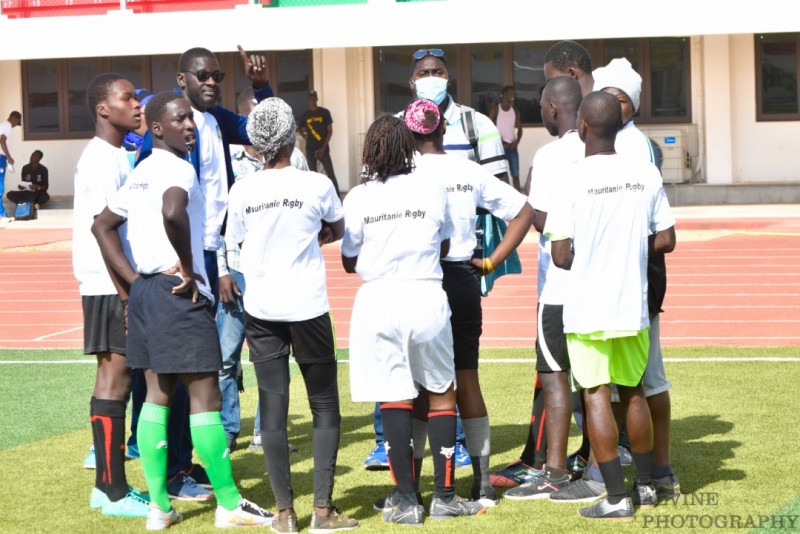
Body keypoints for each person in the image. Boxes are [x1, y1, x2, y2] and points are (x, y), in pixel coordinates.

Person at [91, 90, 275, 530]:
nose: (189, 126)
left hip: (148, 294)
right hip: (179, 293)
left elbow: (102, 224)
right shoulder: (177, 169)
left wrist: (134, 281)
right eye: (179, 120)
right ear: (157, 128)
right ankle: (228, 504)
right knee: (205, 396)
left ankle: (159, 507)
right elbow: (173, 211)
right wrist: (191, 270)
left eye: (190, 119)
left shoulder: (140, 172)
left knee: (156, 396)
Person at [364, 46, 511, 471]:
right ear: (412, 82)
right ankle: (384, 441)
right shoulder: (392, 127)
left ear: (449, 78)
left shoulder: (476, 123)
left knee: (454, 360)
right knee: (401, 358)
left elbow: (499, 186)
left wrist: (464, 226)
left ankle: (457, 444)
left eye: (439, 71)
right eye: (424, 72)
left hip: (459, 262)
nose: (432, 77)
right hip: (407, 267)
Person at [137, 45, 273, 500]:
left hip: (214, 255)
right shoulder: (160, 141)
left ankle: (184, 464)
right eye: (202, 75)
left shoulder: (217, 123)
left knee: (199, 367)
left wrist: (260, 86)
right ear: (182, 80)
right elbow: (146, 208)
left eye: (217, 75)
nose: (212, 82)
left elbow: (268, 127)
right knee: (176, 370)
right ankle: (172, 472)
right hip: (181, 263)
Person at [342, 111, 484, 525]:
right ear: (408, 148)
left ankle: (406, 502)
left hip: (379, 299)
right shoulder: (430, 188)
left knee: (394, 395)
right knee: (441, 392)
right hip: (426, 293)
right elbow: (442, 245)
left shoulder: (359, 196)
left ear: (370, 152)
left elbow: (350, 260)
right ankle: (444, 497)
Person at [226, 97, 358, 534]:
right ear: (291, 137)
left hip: (261, 310)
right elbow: (337, 229)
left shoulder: (241, 189)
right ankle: (322, 511)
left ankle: (285, 514)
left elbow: (237, 244)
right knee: (324, 406)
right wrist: (314, 233)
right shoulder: (315, 184)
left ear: (257, 144)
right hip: (307, 309)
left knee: (273, 410)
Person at [546, 91, 676, 520]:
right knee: (633, 391)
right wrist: (626, 249)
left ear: (581, 125)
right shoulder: (645, 173)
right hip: (632, 306)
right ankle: (645, 488)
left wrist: (597, 251)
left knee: (597, 395)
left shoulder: (570, 178)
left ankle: (617, 499)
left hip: (588, 308)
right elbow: (667, 239)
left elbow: (561, 255)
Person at [402, 98, 533, 507]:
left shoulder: (400, 175)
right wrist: (492, 261)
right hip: (461, 279)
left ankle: (413, 488)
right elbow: (524, 211)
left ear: (409, 136)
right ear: (443, 130)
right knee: (466, 379)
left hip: (420, 280)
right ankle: (481, 484)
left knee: (419, 386)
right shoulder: (468, 170)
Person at [593, 56, 680, 500]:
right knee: (617, 384)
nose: (611, 103)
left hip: (638, 280)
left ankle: (660, 469)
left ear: (634, 106)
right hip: (614, 279)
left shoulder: (636, 149)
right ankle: (629, 465)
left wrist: (618, 248)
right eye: (605, 94)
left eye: (620, 98)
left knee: (647, 380)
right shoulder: (601, 144)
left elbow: (658, 232)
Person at [502, 76, 585, 501]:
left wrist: (529, 191)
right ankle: (594, 461)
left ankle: (553, 471)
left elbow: (541, 220)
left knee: (554, 378)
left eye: (541, 106)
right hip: (594, 285)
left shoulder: (551, 155)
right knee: (592, 378)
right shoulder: (599, 148)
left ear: (554, 108)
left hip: (557, 288)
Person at [72, 73, 150, 518]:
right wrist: (128, 294)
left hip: (112, 284)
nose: (136, 105)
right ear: (104, 109)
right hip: (108, 284)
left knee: (113, 381)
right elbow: (105, 233)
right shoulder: (102, 159)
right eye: (127, 99)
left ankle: (109, 485)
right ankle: (112, 490)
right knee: (114, 381)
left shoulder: (119, 154)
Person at [218, 87, 305, 453]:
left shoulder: (296, 159)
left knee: (270, 357)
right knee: (224, 357)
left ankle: (264, 433)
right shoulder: (228, 159)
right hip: (236, 273)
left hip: (276, 275)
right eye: (256, 115)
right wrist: (222, 269)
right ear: (243, 120)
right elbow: (218, 221)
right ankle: (226, 430)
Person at [299, 90, 339, 196]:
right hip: (310, 149)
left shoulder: (325, 112)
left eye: (314, 97)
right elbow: (298, 127)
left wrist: (323, 148)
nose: (312, 99)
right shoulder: (305, 115)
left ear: (317, 99)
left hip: (323, 149)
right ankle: (315, 197)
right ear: (307, 100)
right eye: (310, 97)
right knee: (313, 176)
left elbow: (330, 131)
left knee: (330, 174)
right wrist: (304, 137)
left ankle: (338, 198)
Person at [489, 86, 523, 191]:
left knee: (515, 175)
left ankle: (518, 199)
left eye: (514, 93)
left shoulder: (515, 111)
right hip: (500, 147)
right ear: (504, 95)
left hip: (512, 147)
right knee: (500, 175)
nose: (513, 95)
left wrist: (517, 142)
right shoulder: (496, 109)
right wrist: (496, 140)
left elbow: (520, 129)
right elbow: (488, 125)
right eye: (510, 93)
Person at [0, 111, 22, 219]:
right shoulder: (7, 125)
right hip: (0, 157)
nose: (16, 125)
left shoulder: (3, 125)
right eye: (17, 122)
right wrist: (8, 157)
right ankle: (1, 214)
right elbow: (2, 141)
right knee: (0, 186)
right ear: (14, 118)